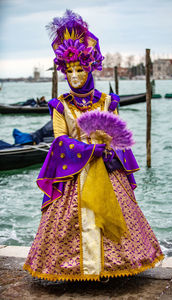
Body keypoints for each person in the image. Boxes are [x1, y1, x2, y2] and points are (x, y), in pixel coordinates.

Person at [24, 10, 164, 282]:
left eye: (81, 69)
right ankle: (75, 269)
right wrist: (88, 150)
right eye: (70, 70)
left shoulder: (107, 103)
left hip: (106, 171)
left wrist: (108, 147)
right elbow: (60, 140)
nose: (75, 76)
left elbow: (119, 138)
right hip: (73, 172)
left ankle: (112, 267)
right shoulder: (60, 105)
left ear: (90, 68)